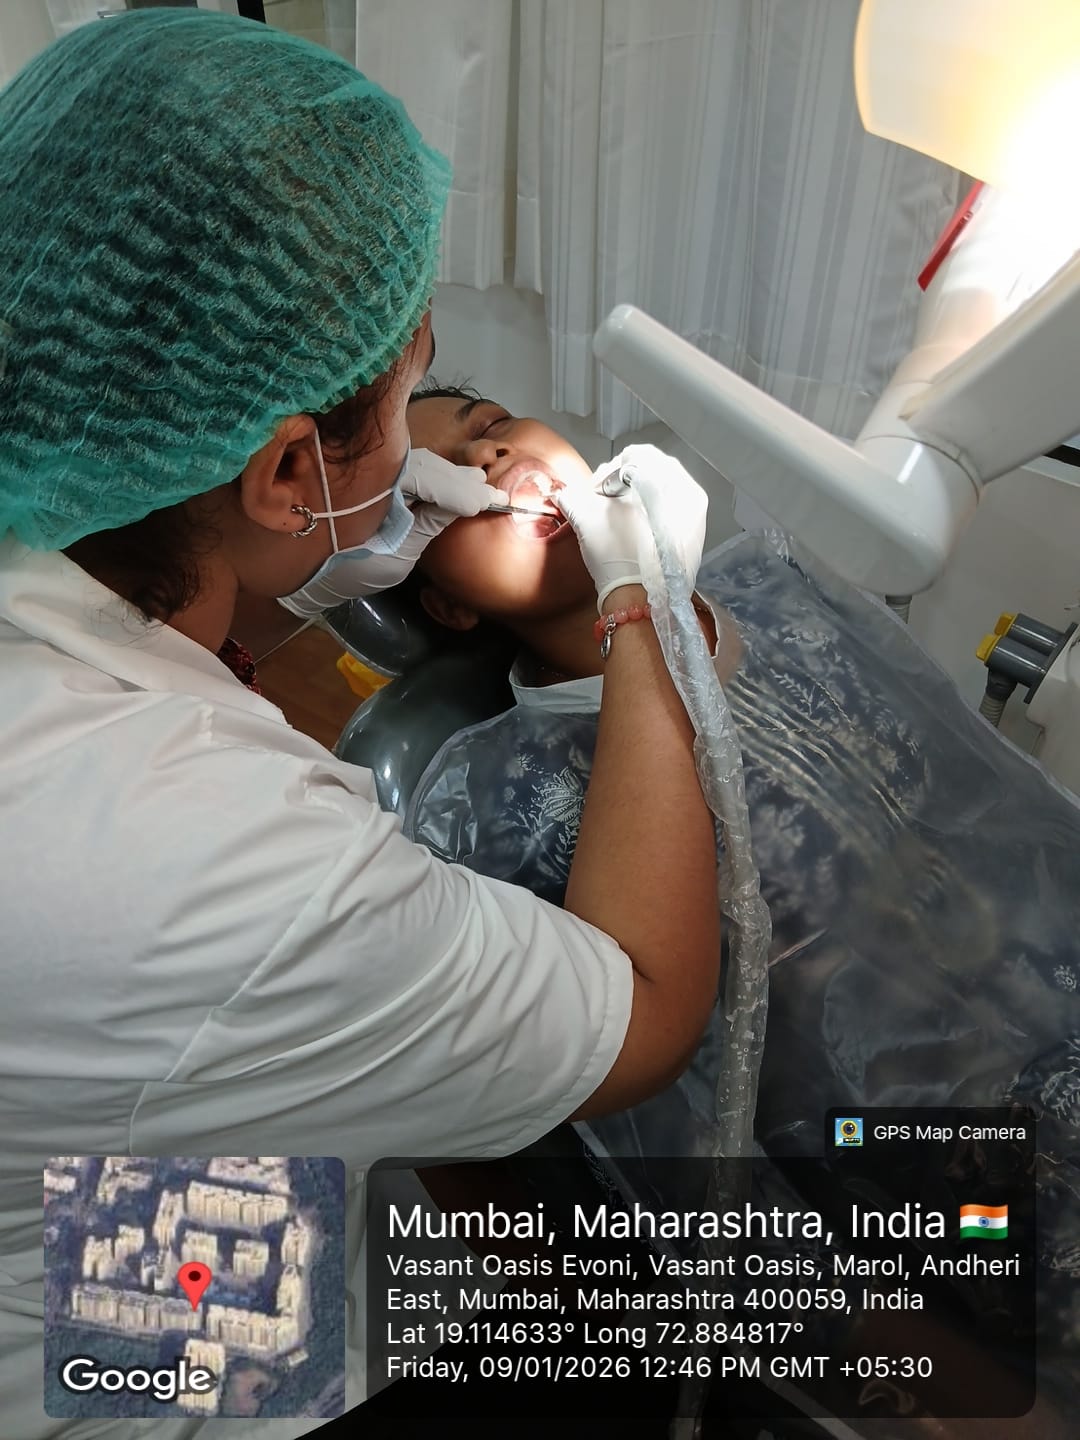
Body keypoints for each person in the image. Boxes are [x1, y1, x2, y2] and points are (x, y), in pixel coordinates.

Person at [0, 15, 724, 1438]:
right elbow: (643, 1014)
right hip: (109, 1348)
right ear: (285, 473)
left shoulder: (75, 536)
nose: (478, 455)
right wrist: (646, 613)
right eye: (416, 396)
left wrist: (301, 570)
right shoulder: (234, 852)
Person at [400, 383, 1080, 1424]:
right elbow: (686, 1149)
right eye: (440, 485)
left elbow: (993, 800)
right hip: (938, 1180)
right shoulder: (493, 805)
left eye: (490, 427)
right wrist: (909, 1355)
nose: (487, 462)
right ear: (448, 607)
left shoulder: (778, 584)